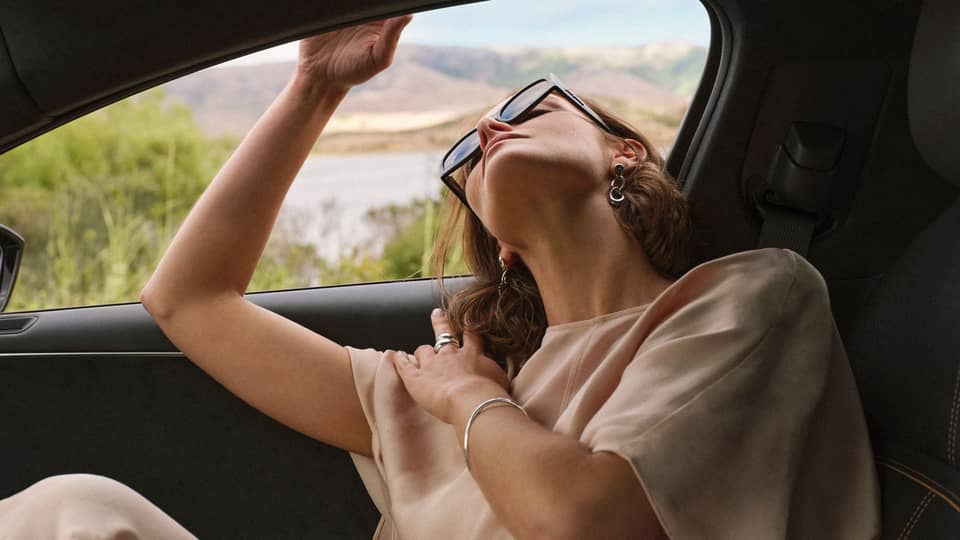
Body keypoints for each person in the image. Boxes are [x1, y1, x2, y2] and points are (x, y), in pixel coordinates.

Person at [0, 14, 881, 539]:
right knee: (75, 509)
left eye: (528, 106)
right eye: (466, 152)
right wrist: (315, 88)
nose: (489, 130)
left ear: (625, 151)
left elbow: (586, 523)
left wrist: (469, 402)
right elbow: (189, 301)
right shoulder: (459, 380)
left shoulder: (751, 297)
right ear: (500, 244)